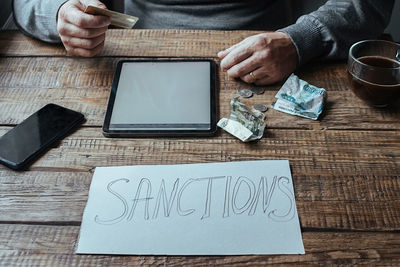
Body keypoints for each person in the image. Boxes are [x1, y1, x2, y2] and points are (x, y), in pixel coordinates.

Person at [13, 0, 394, 85]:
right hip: (136, 66)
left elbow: (369, 3)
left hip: (270, 66)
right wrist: (60, 12)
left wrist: (300, 40)